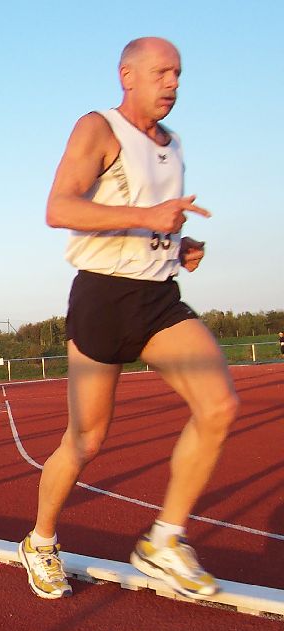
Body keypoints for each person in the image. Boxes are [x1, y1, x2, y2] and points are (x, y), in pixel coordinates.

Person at [18, 37, 239, 600]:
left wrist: (177, 244)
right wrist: (149, 216)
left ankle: (164, 540)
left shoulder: (172, 144)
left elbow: (150, 224)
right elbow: (59, 208)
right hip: (103, 297)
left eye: (178, 73)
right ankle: (40, 541)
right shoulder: (99, 128)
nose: (173, 83)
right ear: (127, 74)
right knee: (86, 441)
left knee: (219, 405)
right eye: (162, 72)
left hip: (157, 297)